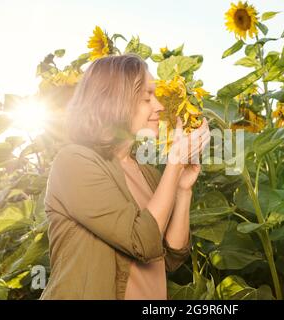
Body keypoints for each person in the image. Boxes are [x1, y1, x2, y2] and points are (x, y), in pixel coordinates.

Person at [39, 53, 210, 299]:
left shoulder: (146, 172)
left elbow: (171, 257)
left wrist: (183, 189)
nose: (159, 107)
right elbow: (142, 241)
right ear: (113, 101)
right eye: (146, 98)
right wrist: (175, 162)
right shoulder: (73, 163)